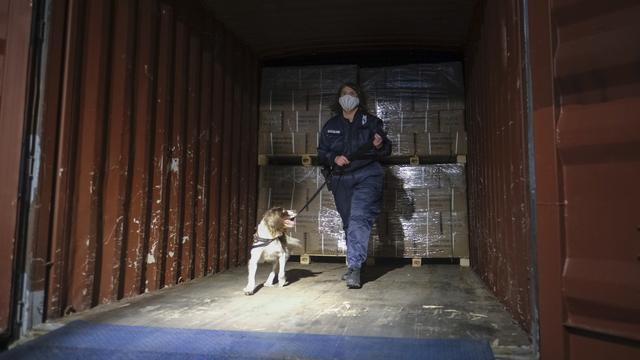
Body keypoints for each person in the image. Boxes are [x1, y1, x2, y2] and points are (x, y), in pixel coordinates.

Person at [317, 83, 392, 289]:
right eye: (344, 94)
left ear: (359, 98)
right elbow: (321, 153)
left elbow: (386, 149)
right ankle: (352, 265)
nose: (347, 97)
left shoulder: (372, 122)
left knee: (359, 217)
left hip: (367, 175)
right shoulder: (331, 125)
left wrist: (379, 144)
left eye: (352, 94)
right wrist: (334, 157)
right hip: (342, 178)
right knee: (349, 222)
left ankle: (356, 267)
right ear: (338, 98)